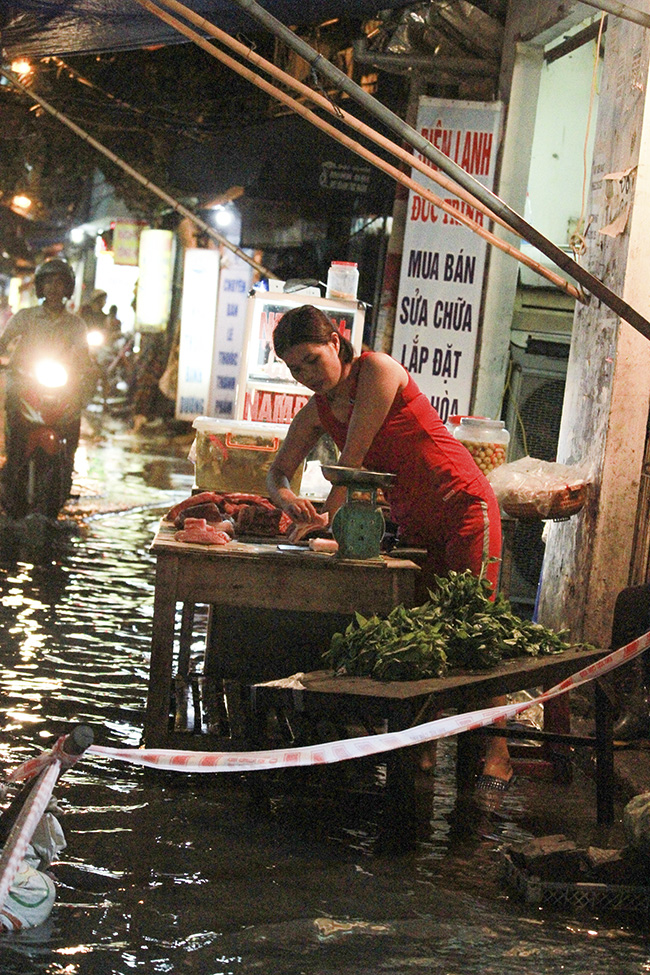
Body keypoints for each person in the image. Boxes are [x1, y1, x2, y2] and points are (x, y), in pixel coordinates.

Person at [266, 303, 511, 802]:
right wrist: (288, 501)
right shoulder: (317, 410)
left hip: (463, 504)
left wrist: (322, 523)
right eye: (295, 369)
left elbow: (352, 462)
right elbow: (277, 470)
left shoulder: (377, 371)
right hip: (415, 521)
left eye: (312, 360)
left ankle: (498, 753)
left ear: (337, 341)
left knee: (473, 631)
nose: (306, 376)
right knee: (420, 634)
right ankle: (421, 747)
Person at [0, 258, 97, 510]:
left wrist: (86, 374)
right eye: (49, 282)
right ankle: (12, 472)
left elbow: (85, 360)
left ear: (68, 288)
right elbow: (4, 341)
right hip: (25, 385)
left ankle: (66, 469)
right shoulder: (25, 317)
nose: (54, 288)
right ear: (40, 287)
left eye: (59, 282)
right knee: (15, 426)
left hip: (60, 387)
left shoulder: (76, 324)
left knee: (72, 422)